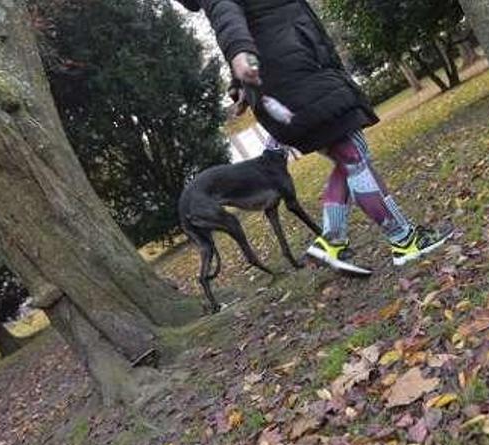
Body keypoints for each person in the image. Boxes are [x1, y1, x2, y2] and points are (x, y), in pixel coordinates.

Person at [176, 0, 451, 274]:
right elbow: (226, 14)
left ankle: (332, 241)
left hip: (299, 75)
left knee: (352, 158)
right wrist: (239, 54)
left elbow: (259, 22)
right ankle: (403, 239)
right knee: (354, 157)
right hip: (293, 84)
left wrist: (240, 83)